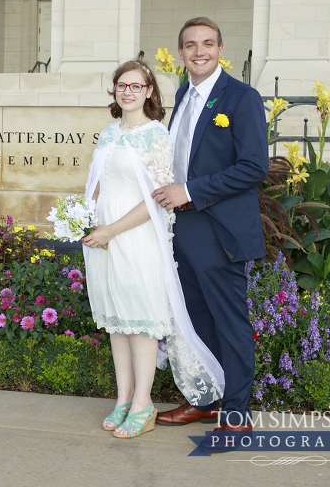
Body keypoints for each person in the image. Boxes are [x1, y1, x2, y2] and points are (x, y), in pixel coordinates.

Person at [81, 60, 224, 439]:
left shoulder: (157, 135)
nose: (128, 92)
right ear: (114, 90)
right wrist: (83, 220)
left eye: (136, 86)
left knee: (140, 322)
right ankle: (124, 398)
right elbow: (98, 183)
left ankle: (144, 405)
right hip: (103, 237)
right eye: (121, 85)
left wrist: (112, 229)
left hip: (135, 235)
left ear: (148, 92)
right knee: (117, 322)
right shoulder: (109, 132)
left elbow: (158, 199)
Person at [151, 17, 269, 438]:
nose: (199, 51)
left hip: (219, 228)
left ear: (221, 49)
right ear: (180, 52)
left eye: (208, 43)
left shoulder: (241, 97)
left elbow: (254, 168)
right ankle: (206, 401)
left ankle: (236, 412)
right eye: (190, 45)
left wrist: (190, 191)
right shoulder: (183, 94)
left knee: (228, 321)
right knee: (195, 319)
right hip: (182, 226)